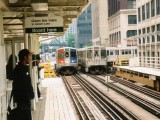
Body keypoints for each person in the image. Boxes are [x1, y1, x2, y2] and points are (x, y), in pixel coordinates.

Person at [12, 49, 34, 120]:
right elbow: (23, 86)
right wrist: (29, 95)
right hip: (23, 103)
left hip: (23, 102)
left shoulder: (20, 68)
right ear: (25, 57)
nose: (30, 59)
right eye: (29, 56)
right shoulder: (21, 70)